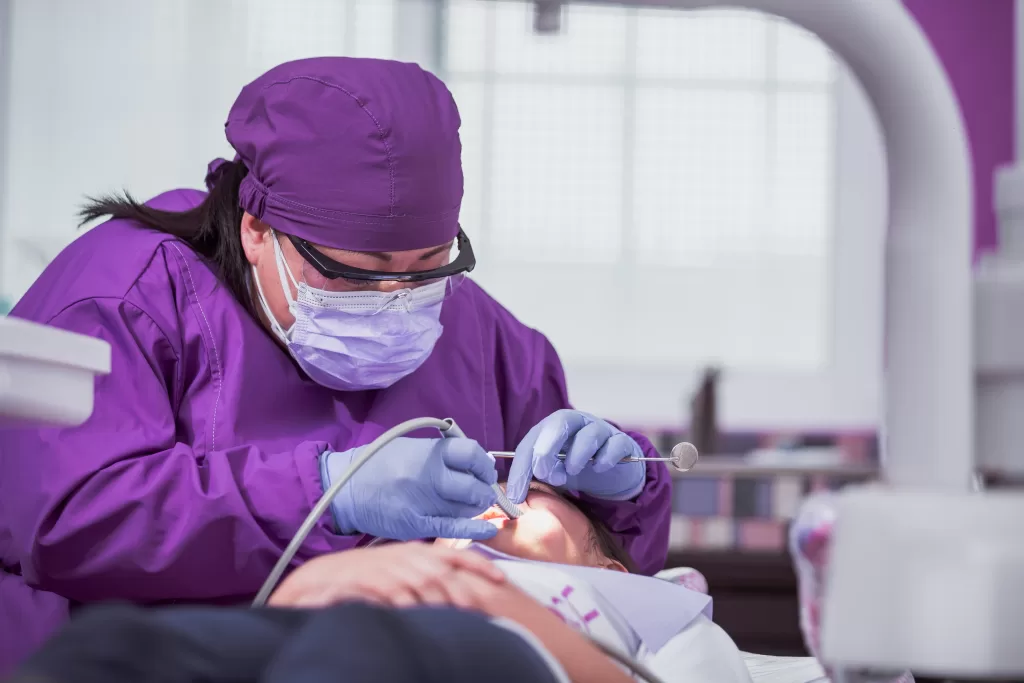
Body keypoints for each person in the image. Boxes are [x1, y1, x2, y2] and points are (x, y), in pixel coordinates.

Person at [0, 56, 671, 674]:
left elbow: (615, 570)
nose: (398, 301)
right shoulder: (126, 295)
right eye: (360, 271)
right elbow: (63, 515)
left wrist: (626, 487)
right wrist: (323, 491)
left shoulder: (479, 332)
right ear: (256, 229)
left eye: (427, 263)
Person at [9, 482, 746, 683]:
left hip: (517, 655)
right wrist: (327, 573)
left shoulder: (658, 613)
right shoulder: (408, 550)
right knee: (117, 642)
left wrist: (512, 608)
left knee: (355, 642)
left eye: (542, 489)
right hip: (342, 618)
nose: (508, 486)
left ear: (606, 566)